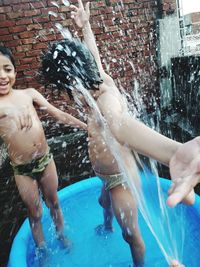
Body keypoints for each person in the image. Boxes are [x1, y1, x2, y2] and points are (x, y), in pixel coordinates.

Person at [40, 1, 194, 266]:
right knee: (103, 203)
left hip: (119, 177)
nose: (70, 95)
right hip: (105, 174)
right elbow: (95, 55)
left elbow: (120, 124)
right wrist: (85, 26)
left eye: (67, 88)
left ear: (74, 80)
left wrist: (173, 152)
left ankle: (138, 263)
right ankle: (106, 224)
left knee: (131, 235)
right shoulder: (97, 82)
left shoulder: (106, 99)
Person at [0, 46, 87, 262]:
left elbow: (57, 113)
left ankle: (61, 235)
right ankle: (43, 250)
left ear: (15, 71)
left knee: (54, 202)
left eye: (7, 69)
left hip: (45, 160)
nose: (2, 76)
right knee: (35, 213)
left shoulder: (29, 94)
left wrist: (86, 127)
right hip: (22, 170)